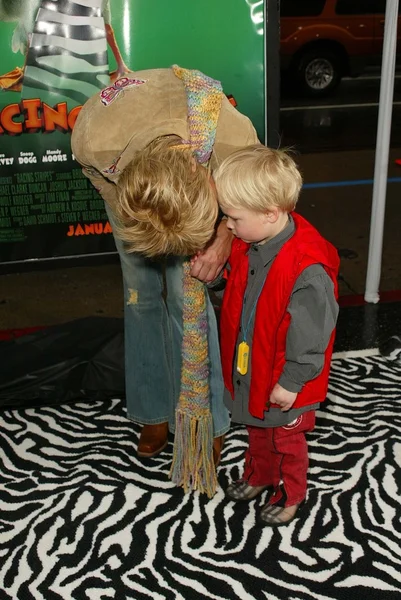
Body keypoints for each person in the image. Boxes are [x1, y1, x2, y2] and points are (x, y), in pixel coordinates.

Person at [71, 67, 259, 485]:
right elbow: (98, 179)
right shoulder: (94, 139)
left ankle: (203, 418)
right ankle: (153, 408)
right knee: (140, 295)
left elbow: (250, 190)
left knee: (184, 291)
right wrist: (129, 210)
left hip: (199, 168)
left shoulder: (233, 136)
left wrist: (222, 237)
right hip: (130, 193)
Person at [213, 145, 339, 524]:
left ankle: (290, 493)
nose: (228, 225)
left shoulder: (307, 267)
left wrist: (293, 381)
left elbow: (312, 334)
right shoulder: (249, 242)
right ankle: (260, 474)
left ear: (270, 214)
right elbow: (239, 291)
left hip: (287, 379)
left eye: (233, 217)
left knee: (285, 440)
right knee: (256, 429)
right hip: (253, 366)